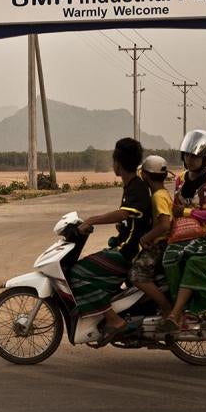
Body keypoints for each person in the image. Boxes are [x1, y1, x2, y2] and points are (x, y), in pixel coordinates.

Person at [68, 138, 152, 341]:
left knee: (76, 274)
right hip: (125, 248)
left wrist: (91, 220)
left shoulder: (136, 188)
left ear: (118, 163)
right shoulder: (133, 185)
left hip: (128, 254)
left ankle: (113, 319)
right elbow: (130, 220)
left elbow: (123, 214)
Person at [160, 129, 206, 333]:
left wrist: (187, 211)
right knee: (169, 259)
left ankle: (176, 313)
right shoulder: (180, 179)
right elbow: (175, 208)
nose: (190, 160)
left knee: (195, 261)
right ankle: (176, 308)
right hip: (186, 233)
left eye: (195, 156)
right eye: (187, 155)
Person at [129, 155, 174, 318]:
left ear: (145, 175)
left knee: (136, 276)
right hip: (162, 244)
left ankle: (165, 306)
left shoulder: (157, 197)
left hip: (159, 246)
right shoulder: (163, 193)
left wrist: (145, 238)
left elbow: (164, 225)